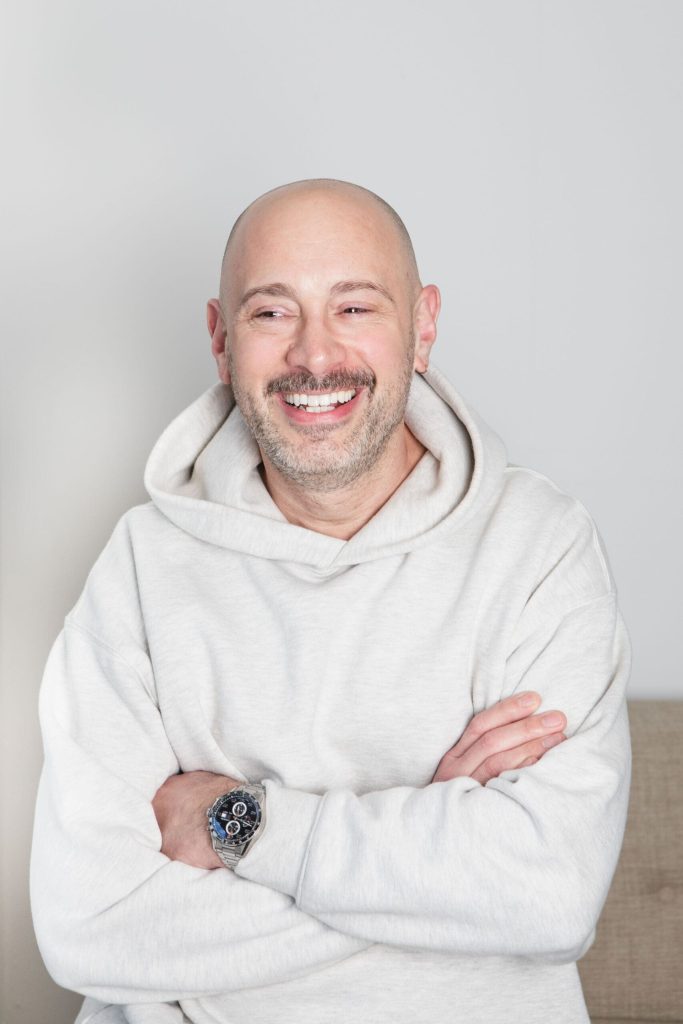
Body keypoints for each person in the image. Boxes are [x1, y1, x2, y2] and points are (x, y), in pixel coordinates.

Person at [31, 178, 632, 1024]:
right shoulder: (141, 565)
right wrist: (431, 858)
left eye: (354, 307)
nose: (315, 357)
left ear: (422, 325)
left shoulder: (538, 547)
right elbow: (89, 928)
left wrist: (241, 826)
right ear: (221, 339)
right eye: (272, 312)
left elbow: (548, 897)